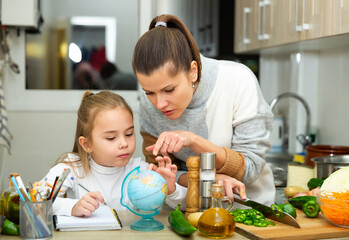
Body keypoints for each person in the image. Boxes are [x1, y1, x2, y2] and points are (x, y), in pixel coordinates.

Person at [132, 14, 275, 205]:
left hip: (248, 209)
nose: (159, 104)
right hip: (185, 210)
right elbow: (161, 173)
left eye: (169, 90)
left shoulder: (238, 80)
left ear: (193, 71)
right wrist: (207, 180)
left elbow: (249, 170)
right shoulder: (148, 102)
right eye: (149, 92)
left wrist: (194, 140)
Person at [40, 90, 190, 216]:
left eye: (129, 134)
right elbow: (36, 200)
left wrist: (171, 190)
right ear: (87, 144)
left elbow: (187, 205)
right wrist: (72, 207)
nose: (124, 143)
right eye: (111, 138)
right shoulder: (72, 167)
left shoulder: (142, 171)